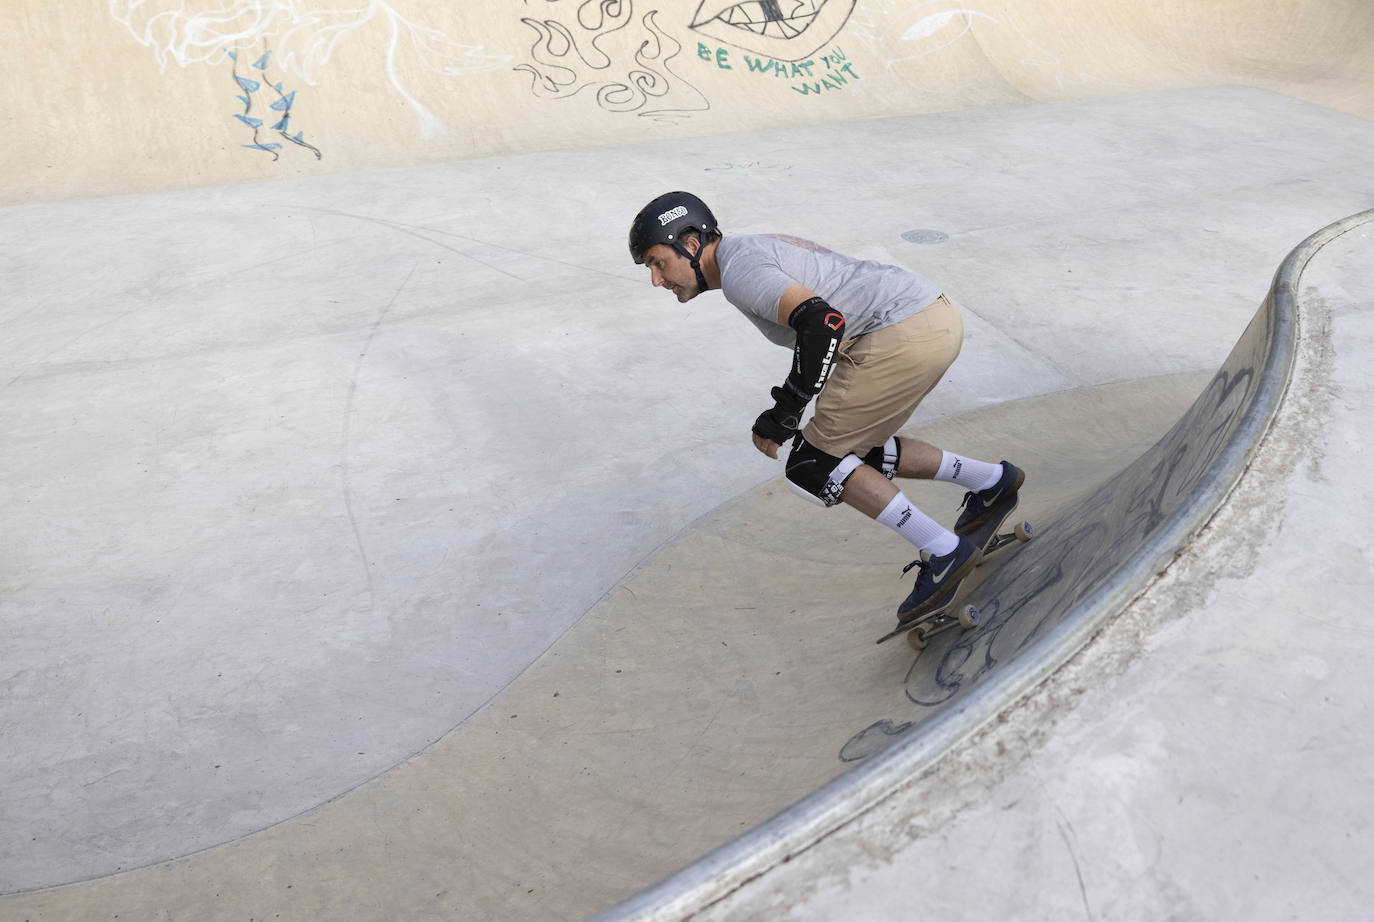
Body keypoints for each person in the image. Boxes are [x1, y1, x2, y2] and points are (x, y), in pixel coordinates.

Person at [628, 191, 1023, 627]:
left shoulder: (741, 268)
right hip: (930, 318)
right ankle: (991, 482)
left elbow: (823, 324)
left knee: (813, 464)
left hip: (901, 330)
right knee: (851, 454)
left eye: (656, 262)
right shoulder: (749, 252)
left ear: (689, 243)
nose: (656, 279)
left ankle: (944, 550)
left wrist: (785, 412)